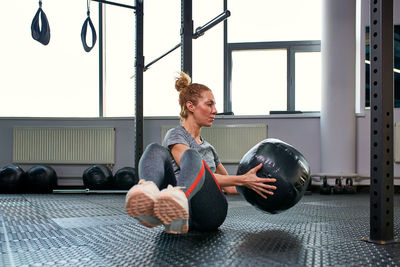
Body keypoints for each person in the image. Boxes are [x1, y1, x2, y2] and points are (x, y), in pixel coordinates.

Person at [126, 72, 277, 234]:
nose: (215, 110)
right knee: (154, 149)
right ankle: (150, 199)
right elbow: (189, 165)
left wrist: (257, 183)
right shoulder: (176, 135)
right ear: (191, 106)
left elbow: (232, 188)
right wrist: (243, 179)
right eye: (209, 104)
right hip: (180, 213)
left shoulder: (209, 148)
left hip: (210, 211)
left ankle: (178, 200)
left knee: (193, 156)